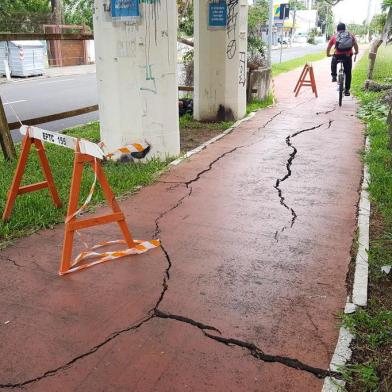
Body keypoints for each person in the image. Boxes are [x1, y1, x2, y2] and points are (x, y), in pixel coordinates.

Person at [326, 23, 359, 96]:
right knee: (348, 73)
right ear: (345, 28)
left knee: (333, 61)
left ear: (337, 29)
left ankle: (334, 76)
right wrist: (356, 51)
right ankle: (347, 90)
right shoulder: (350, 35)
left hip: (338, 55)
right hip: (347, 56)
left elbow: (329, 47)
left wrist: (328, 54)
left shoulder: (335, 36)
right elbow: (355, 44)